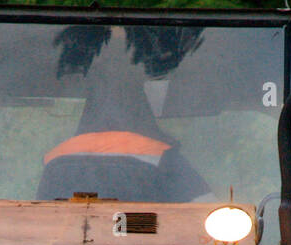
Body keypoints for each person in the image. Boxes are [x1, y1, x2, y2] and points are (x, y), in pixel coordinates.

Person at [38, 32, 210, 204]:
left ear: (90, 105)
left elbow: (37, 219)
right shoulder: (165, 158)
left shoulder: (56, 160)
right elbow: (205, 216)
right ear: (141, 107)